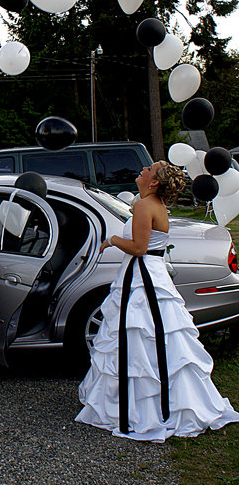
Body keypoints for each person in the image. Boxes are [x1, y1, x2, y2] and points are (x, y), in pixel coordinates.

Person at [76, 160, 239, 442]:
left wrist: (113, 239)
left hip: (143, 278)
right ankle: (161, 397)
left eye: (149, 170)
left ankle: (146, 405)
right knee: (155, 336)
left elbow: (139, 247)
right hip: (151, 274)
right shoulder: (155, 205)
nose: (143, 170)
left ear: (153, 182)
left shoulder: (143, 206)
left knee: (139, 334)